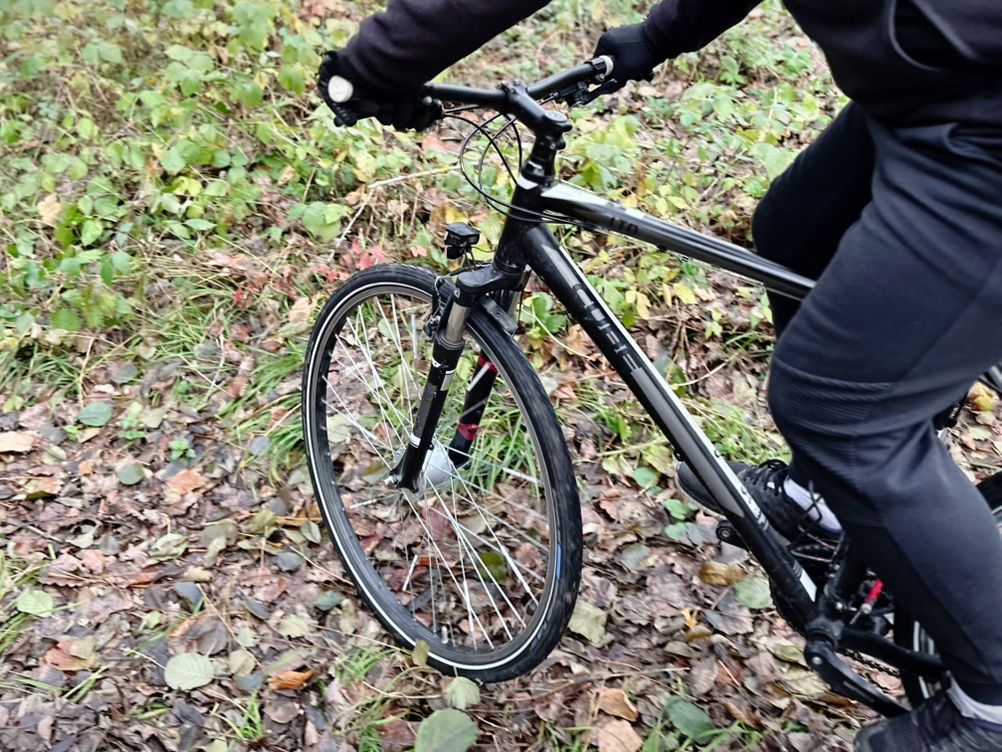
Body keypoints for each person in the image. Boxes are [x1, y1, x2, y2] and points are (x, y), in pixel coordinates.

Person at [317, 1, 1002, 748]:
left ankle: (988, 704)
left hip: (980, 120)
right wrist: (660, 36)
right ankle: (834, 503)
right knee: (795, 234)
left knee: (842, 409)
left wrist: (375, 66)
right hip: (933, 91)